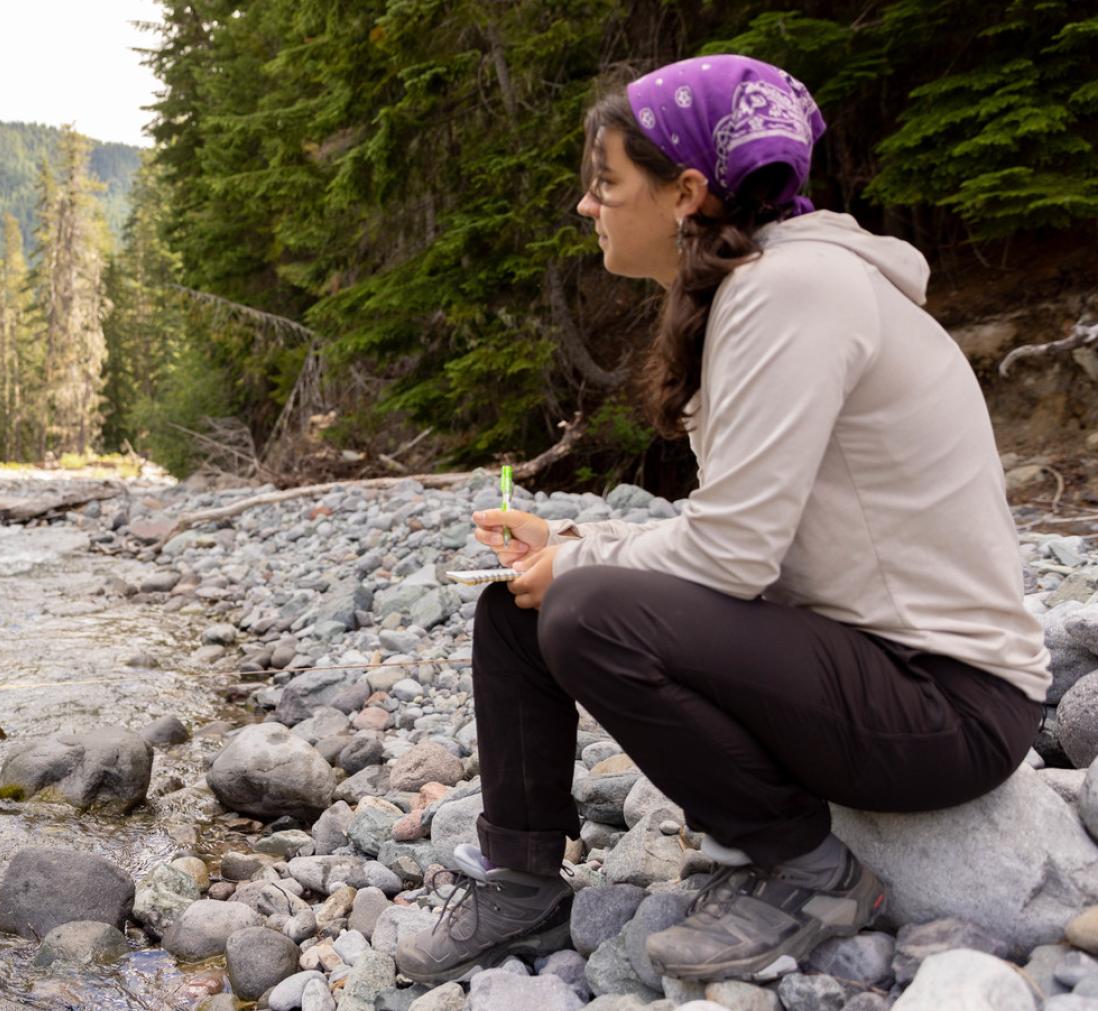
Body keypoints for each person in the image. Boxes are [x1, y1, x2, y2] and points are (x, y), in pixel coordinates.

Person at [394, 55, 1050, 987]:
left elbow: (736, 554)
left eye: (606, 183)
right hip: (868, 661)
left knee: (584, 612)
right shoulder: (761, 287)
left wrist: (586, 564)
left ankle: (808, 871)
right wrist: (576, 548)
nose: (588, 207)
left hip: (949, 706)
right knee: (521, 608)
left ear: (687, 192)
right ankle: (523, 881)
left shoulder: (794, 292)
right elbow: (748, 537)